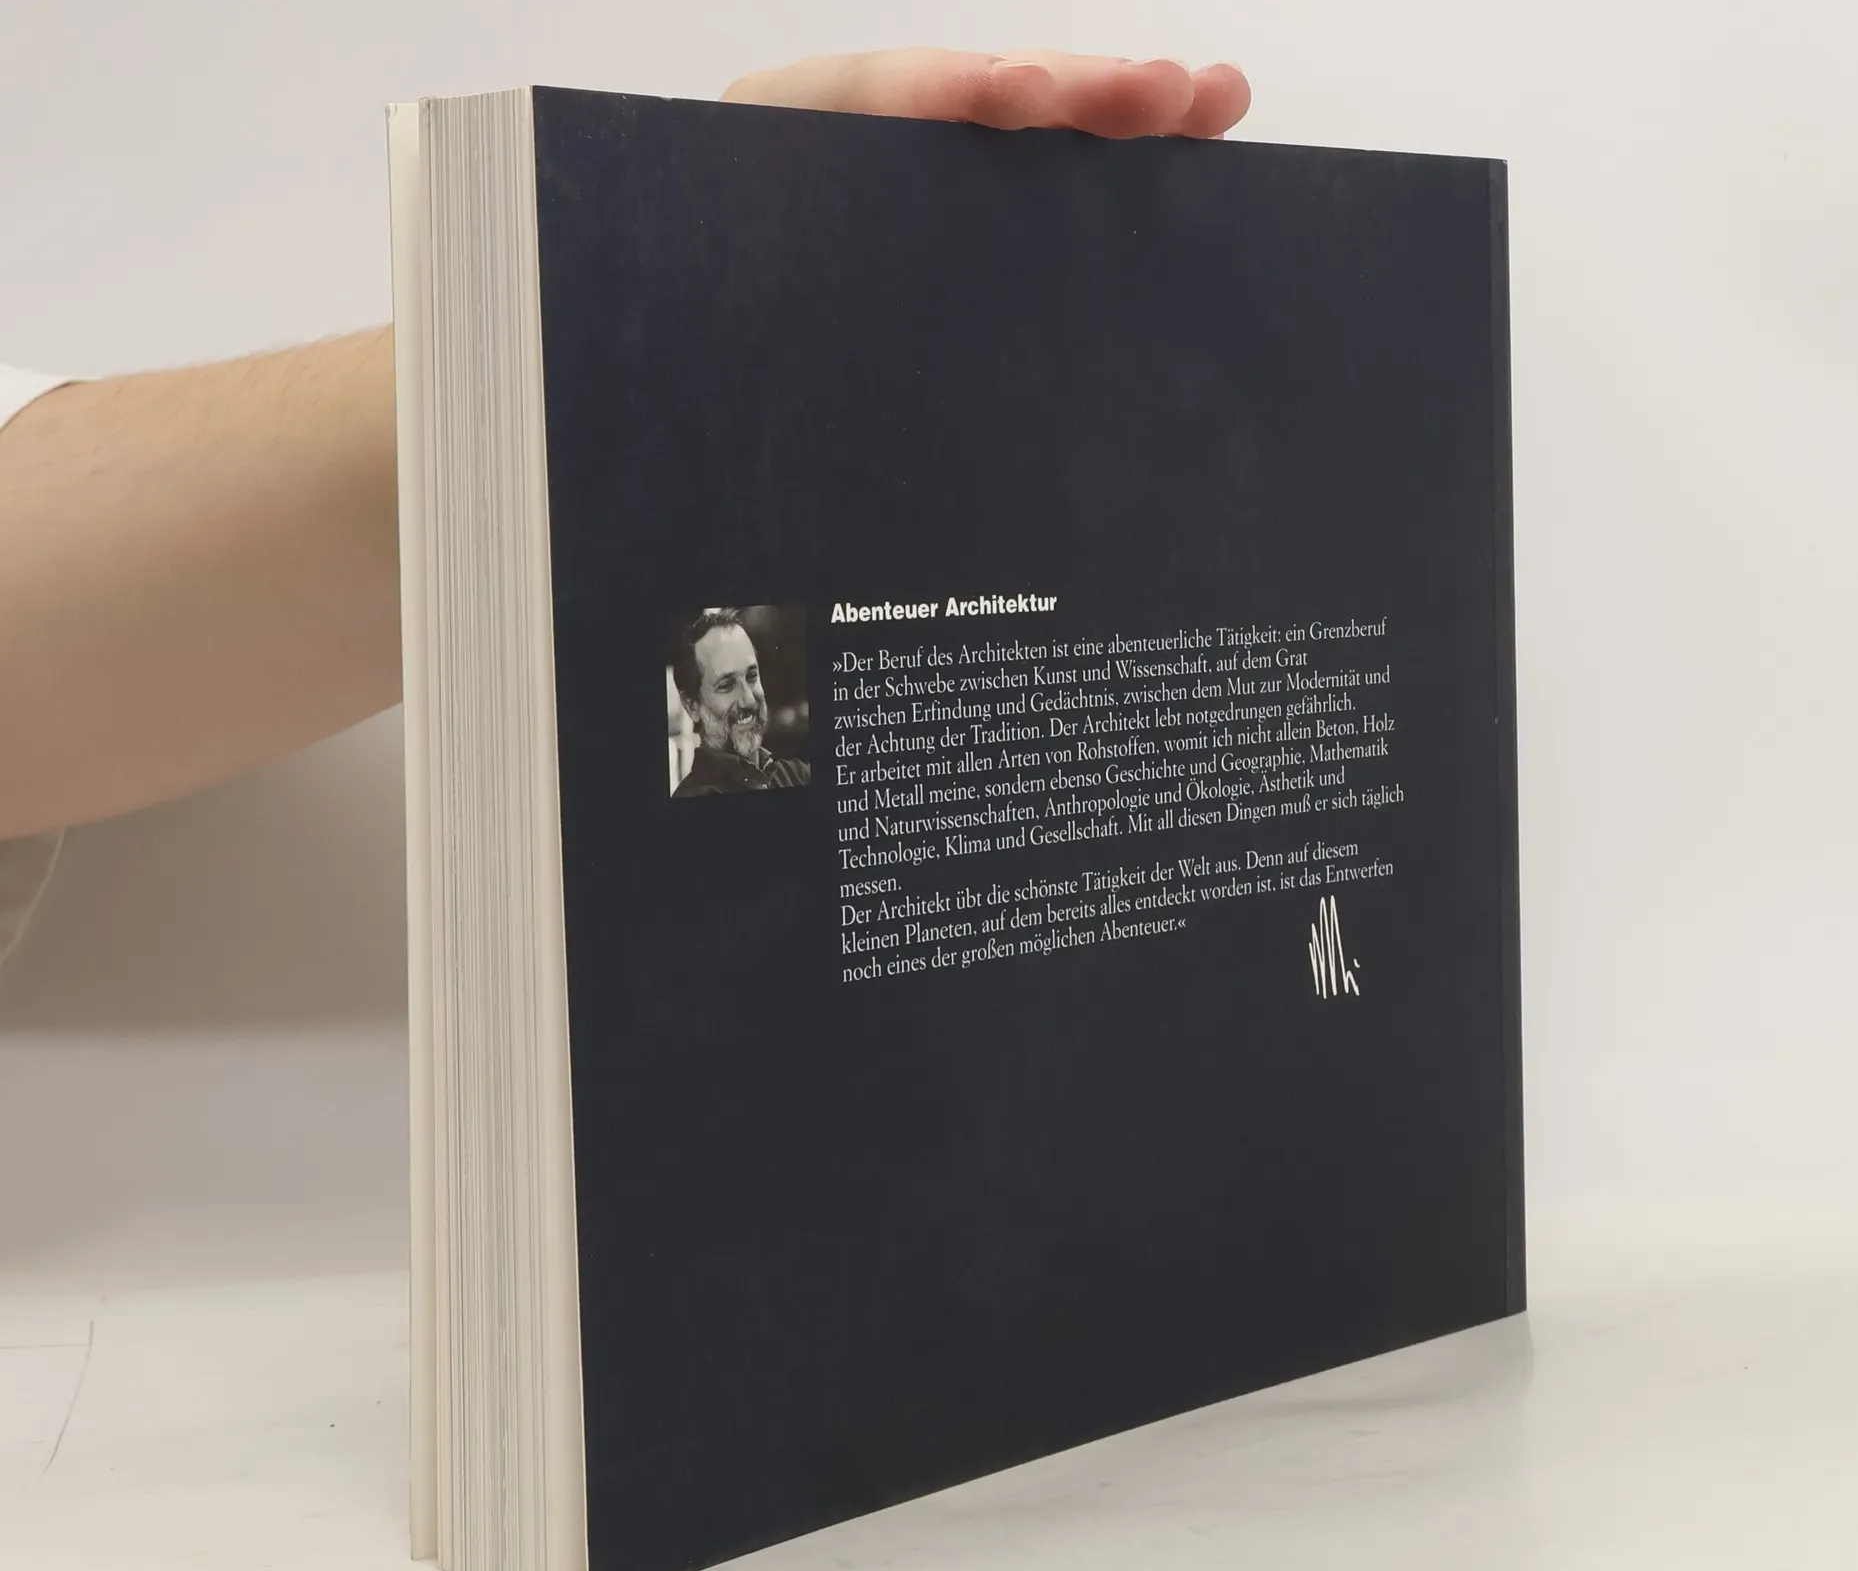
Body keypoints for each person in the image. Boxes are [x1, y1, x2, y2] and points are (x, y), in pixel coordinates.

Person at [0, 49, 1251, 959]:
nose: (749, 698)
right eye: (731, 686)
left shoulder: (777, 764)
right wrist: (640, 305)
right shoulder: (722, 794)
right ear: (693, 707)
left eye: (749, 681)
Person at [670, 609, 811, 798]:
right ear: (692, 706)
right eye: (726, 686)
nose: (749, 700)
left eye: (752, 676)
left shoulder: (796, 776)